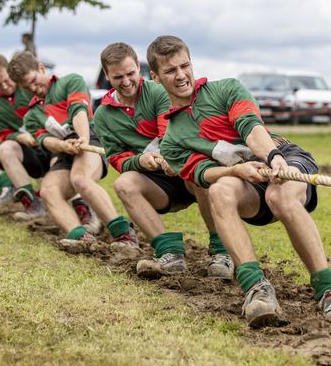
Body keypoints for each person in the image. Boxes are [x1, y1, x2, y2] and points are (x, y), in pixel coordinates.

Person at [146, 35, 331, 327]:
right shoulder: (171, 140)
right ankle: (257, 288)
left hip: (282, 156)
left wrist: (273, 157)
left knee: (279, 197)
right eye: (170, 70)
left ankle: (329, 290)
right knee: (218, 191)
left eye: (185, 66)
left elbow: (251, 128)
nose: (181, 75)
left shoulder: (226, 89)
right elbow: (202, 174)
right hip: (245, 178)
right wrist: (236, 171)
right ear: (155, 77)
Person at [93, 42, 234, 279]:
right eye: (118, 77)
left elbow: (168, 133)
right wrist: (140, 161)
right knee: (124, 184)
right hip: (158, 183)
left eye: (130, 73)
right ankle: (170, 253)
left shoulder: (158, 92)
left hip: (186, 169)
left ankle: (222, 251)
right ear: (107, 76)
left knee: (197, 167)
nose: (126, 81)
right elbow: (116, 158)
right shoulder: (102, 115)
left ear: (139, 68)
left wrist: (169, 158)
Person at [7, 51, 133, 246]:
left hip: (89, 136)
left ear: (41, 68)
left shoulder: (70, 82)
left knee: (80, 178)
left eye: (33, 80)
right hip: (64, 149)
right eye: (26, 86)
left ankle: (125, 235)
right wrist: (61, 145)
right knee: (48, 190)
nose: (32, 88)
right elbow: (44, 140)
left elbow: (78, 110)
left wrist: (82, 137)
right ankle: (81, 238)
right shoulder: (32, 115)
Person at [0, 54, 50, 220]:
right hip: (27, 150)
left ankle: (81, 206)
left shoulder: (30, 88)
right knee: (5, 148)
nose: (5, 86)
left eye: (7, 80)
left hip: (51, 145)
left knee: (52, 193)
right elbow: (3, 133)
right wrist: (20, 137)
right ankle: (32, 204)